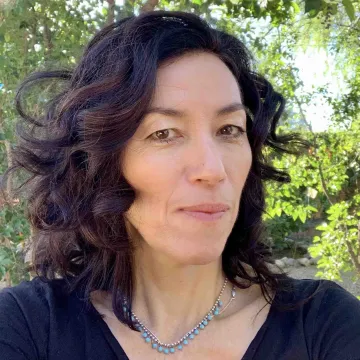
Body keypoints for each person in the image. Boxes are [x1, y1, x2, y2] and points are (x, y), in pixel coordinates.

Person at [0, 10, 359, 360]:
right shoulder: (28, 328)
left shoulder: (327, 325)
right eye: (164, 133)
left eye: (229, 130)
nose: (213, 169)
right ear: (99, 161)